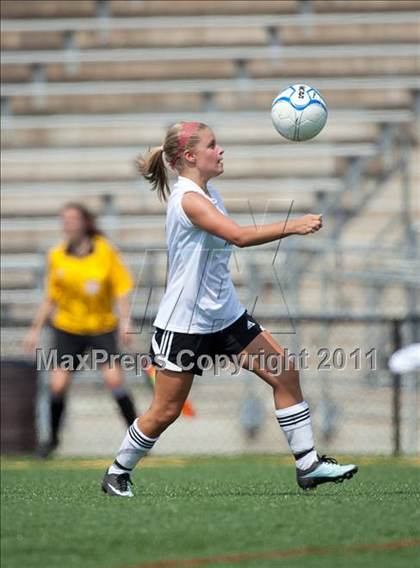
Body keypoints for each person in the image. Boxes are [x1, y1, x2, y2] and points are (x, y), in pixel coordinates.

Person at [101, 121, 358, 497]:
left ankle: (308, 465)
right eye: (212, 145)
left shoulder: (208, 192)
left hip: (225, 316)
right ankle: (117, 471)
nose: (220, 151)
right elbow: (238, 237)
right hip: (184, 323)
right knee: (166, 411)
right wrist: (294, 225)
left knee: (284, 373)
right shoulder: (188, 199)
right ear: (190, 156)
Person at [25, 203, 137, 458]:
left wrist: (125, 321)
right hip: (68, 328)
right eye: (64, 219)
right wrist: (34, 330)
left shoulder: (104, 250)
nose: (68, 223)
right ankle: (51, 440)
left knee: (114, 380)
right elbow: (50, 297)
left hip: (101, 327)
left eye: (73, 219)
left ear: (85, 222)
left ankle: (137, 438)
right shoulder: (56, 255)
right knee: (57, 384)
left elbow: (121, 287)